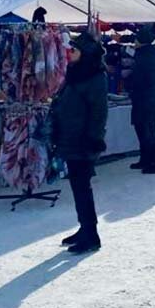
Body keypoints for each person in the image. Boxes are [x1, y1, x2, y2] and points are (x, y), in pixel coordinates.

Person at [51, 32, 109, 254]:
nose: (69, 53)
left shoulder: (94, 77)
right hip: (71, 137)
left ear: (85, 54)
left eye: (74, 50)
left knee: (82, 187)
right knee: (78, 186)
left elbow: (98, 113)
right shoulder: (77, 73)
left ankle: (91, 234)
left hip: (83, 141)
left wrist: (93, 139)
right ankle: (85, 228)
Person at [129, 25, 155, 174]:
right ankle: (145, 159)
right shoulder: (146, 54)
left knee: (148, 131)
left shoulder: (146, 56)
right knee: (142, 130)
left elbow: (145, 79)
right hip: (145, 98)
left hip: (147, 100)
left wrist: (132, 82)